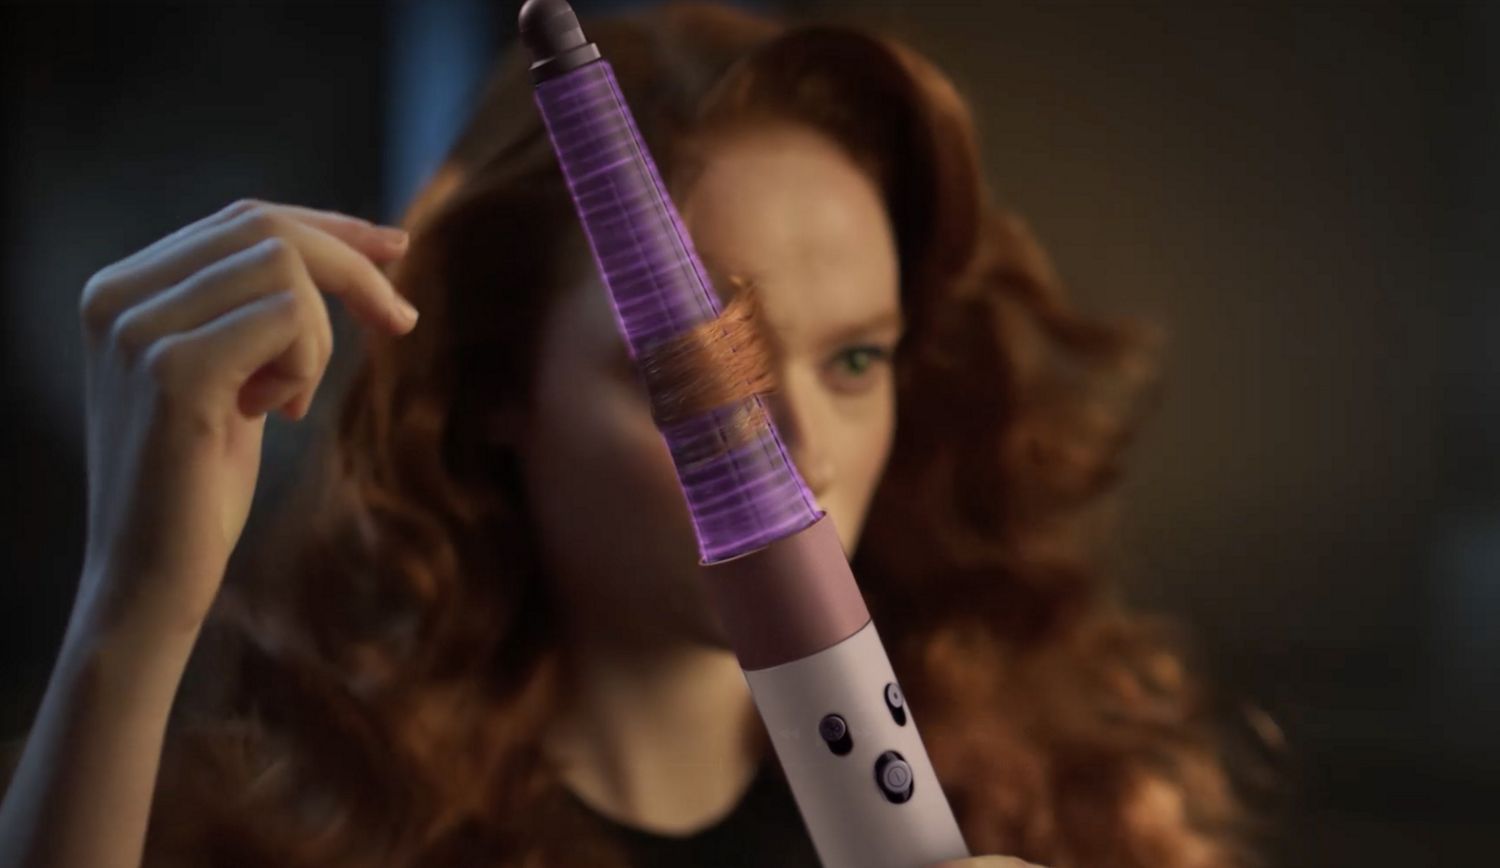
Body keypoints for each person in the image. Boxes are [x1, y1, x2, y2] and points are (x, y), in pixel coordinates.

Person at [0, 3, 1261, 867]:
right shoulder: (301, 824)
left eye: (859, 358)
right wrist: (130, 610)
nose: (803, 452)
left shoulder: (1084, 806)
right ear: (503, 387)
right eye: (698, 385)